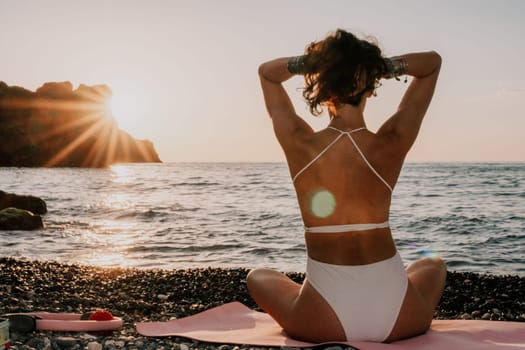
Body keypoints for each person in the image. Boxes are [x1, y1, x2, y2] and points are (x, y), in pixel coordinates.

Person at [246, 29, 447, 343]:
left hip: (321, 322)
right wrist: (380, 67)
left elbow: (266, 74)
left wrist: (315, 63)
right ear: (369, 88)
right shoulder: (390, 143)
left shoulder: (301, 144)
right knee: (431, 265)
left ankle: (318, 294)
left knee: (257, 276)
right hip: (400, 319)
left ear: (323, 88)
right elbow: (432, 63)